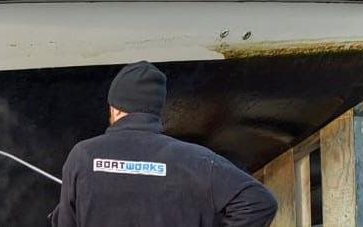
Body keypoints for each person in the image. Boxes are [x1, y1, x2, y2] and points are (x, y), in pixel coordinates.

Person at [50, 61, 277, 227]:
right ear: (156, 110)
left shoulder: (83, 156)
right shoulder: (196, 160)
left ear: (115, 107)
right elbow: (260, 202)